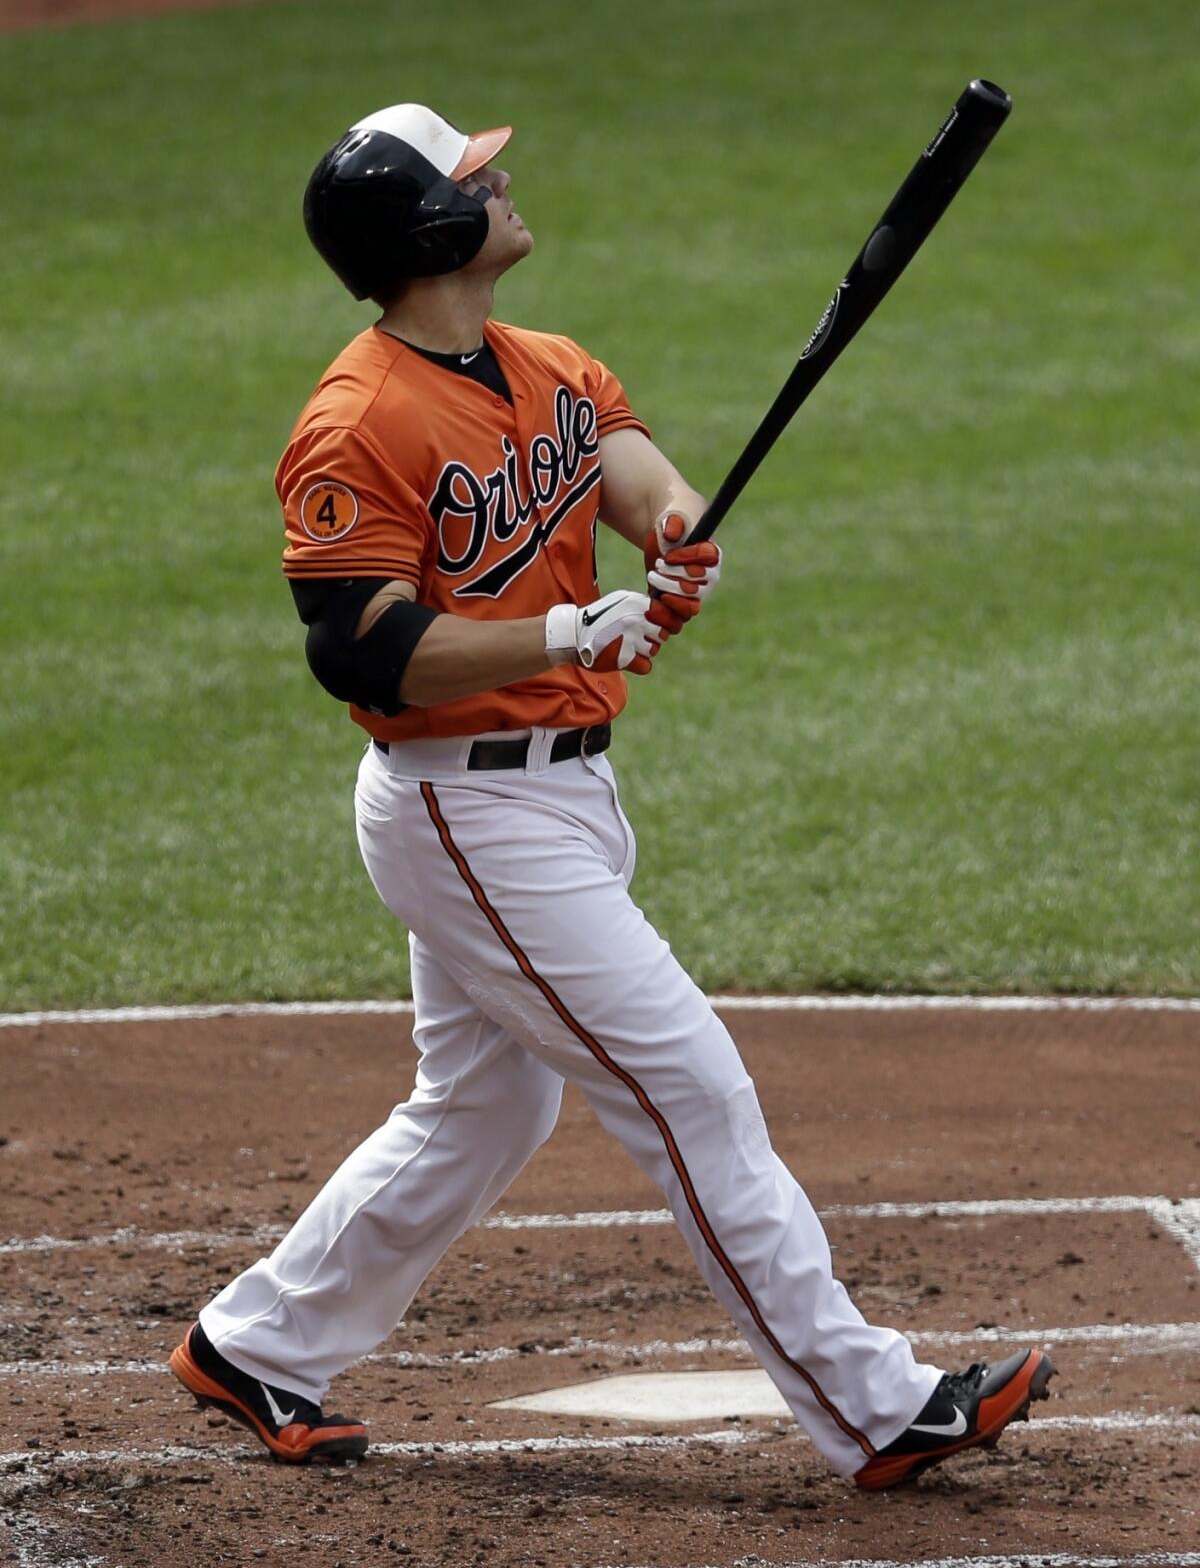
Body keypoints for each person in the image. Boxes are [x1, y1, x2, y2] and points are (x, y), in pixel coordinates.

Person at [170, 103, 1053, 1489]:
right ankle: (876, 1405)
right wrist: (566, 634)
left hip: (562, 796)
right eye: (473, 175)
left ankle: (258, 1343)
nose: (502, 179)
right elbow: (365, 650)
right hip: (467, 812)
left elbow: (628, 472)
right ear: (424, 230)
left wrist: (680, 535)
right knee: (689, 1085)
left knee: (486, 1109)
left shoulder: (548, 364)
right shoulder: (356, 425)